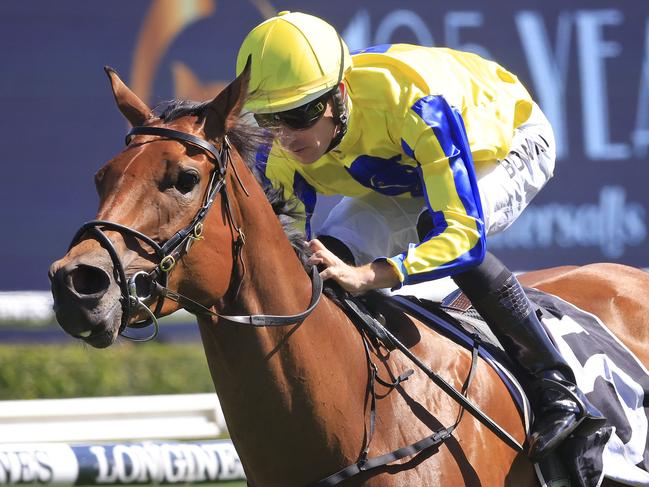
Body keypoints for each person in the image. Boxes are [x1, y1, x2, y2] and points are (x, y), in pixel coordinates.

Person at [235, 11, 605, 461]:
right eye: (270, 118)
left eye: (301, 114)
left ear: (340, 94)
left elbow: (463, 237)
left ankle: (557, 388)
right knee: (324, 258)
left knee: (438, 230)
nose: (287, 137)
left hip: (503, 144)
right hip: (407, 173)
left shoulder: (413, 102)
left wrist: (375, 274)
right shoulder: (277, 149)